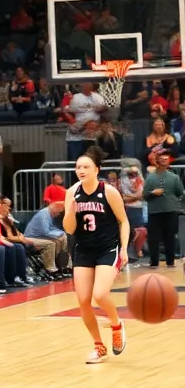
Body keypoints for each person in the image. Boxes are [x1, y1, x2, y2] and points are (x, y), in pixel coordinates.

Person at [63, 146, 129, 364]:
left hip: (107, 248)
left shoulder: (108, 192)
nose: (81, 170)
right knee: (83, 301)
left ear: (96, 170)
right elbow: (69, 229)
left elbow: (124, 221)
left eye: (86, 167)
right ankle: (99, 346)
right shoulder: (71, 192)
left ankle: (116, 324)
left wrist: (125, 248)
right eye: (78, 167)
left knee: (100, 295)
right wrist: (71, 210)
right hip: (83, 248)